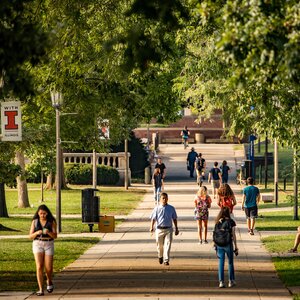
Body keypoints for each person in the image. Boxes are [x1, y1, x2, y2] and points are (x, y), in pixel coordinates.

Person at [29, 204, 57, 296]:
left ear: (47, 213)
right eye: (41, 213)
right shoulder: (35, 221)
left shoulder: (51, 221)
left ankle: (49, 280)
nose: (42, 215)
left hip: (49, 243)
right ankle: (40, 289)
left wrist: (48, 232)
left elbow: (55, 236)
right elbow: (30, 236)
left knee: (48, 268)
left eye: (44, 213)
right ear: (38, 213)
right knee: (39, 266)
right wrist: (37, 232)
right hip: (38, 243)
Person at [149, 192, 179, 266]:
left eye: (166, 198)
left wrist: (176, 228)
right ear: (160, 199)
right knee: (159, 245)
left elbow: (174, 218)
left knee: (167, 244)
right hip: (159, 229)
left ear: (168, 199)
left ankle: (166, 260)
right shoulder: (157, 208)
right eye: (163, 198)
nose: (164, 200)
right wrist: (151, 227)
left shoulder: (171, 208)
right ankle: (160, 256)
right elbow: (153, 218)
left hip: (168, 229)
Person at [214, 206, 238, 288]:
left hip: (219, 244)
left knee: (221, 263)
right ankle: (231, 281)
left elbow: (215, 233)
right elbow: (233, 235)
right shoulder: (231, 222)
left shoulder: (218, 222)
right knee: (230, 262)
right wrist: (236, 246)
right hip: (228, 243)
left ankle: (221, 282)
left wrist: (215, 244)